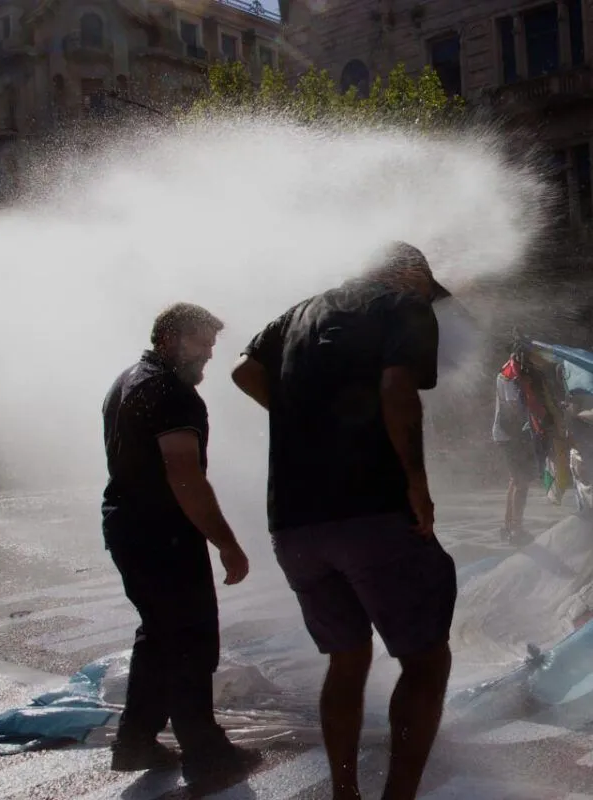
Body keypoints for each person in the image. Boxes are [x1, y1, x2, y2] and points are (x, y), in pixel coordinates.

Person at [231, 242, 457, 800]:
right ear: (409, 273)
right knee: (426, 662)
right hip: (372, 510)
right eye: (427, 287)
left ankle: (345, 793)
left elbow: (243, 371)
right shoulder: (402, 304)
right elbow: (397, 390)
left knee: (347, 658)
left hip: (295, 522)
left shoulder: (298, 313)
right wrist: (417, 482)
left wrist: (306, 419)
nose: (429, 298)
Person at [101, 303, 261, 791]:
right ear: (171, 339)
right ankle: (207, 756)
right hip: (162, 533)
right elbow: (184, 475)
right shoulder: (172, 393)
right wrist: (226, 543)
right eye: (202, 342)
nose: (209, 354)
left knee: (159, 635)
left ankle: (135, 740)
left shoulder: (127, 380)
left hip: (128, 525)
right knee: (191, 640)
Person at [493, 344, 537, 543]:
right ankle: (516, 530)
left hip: (508, 434)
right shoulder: (510, 376)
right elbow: (514, 408)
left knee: (516, 480)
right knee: (521, 482)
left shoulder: (508, 371)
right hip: (510, 435)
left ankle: (508, 526)